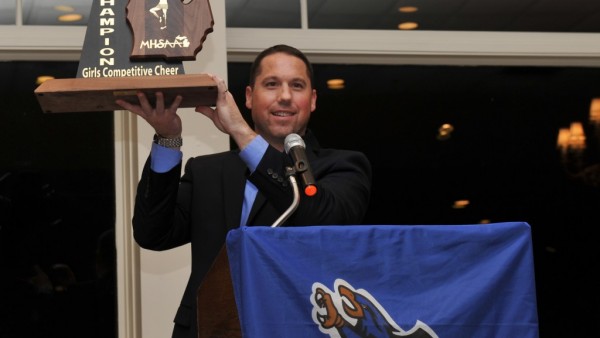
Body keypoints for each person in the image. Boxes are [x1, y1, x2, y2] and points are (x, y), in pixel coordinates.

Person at [116, 44, 372, 338]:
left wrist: (239, 129)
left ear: (312, 100)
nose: (285, 96)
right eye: (272, 84)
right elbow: (152, 234)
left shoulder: (342, 167)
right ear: (250, 97)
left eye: (297, 86)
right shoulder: (207, 172)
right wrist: (168, 138)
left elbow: (325, 217)